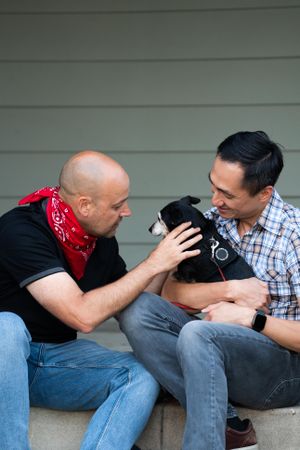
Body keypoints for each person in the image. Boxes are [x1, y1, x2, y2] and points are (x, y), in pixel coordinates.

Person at [0, 150, 202, 450]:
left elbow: (131, 299)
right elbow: (80, 314)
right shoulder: (20, 231)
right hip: (6, 362)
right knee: (6, 327)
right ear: (84, 205)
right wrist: (152, 263)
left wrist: (167, 259)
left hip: (54, 362)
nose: (127, 212)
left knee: (143, 374)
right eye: (117, 205)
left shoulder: (100, 241)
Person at [119, 130, 300, 450]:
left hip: (282, 370)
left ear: (264, 193)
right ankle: (229, 424)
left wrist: (251, 319)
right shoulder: (209, 222)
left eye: (227, 195)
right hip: (212, 354)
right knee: (137, 309)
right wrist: (230, 289)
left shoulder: (294, 236)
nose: (215, 200)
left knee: (197, 334)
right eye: (213, 186)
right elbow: (170, 294)